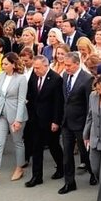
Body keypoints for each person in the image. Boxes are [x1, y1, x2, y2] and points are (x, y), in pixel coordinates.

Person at [0, 52, 28, 182]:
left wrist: (18, 119)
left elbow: (21, 100)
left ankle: (19, 167)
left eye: (6, 64)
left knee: (17, 142)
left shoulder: (21, 78)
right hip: (1, 112)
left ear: (13, 64)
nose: (3, 66)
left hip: (15, 114)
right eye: (2, 63)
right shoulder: (0, 76)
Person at [25, 55, 64, 186]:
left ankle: (61, 167)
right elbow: (30, 94)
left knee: (54, 146)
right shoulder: (34, 75)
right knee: (36, 147)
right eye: (34, 68)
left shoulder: (56, 79)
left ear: (46, 66)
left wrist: (56, 121)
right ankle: (37, 176)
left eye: (38, 68)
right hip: (35, 119)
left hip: (49, 120)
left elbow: (58, 103)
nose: (35, 70)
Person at [59, 51, 94, 194]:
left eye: (68, 65)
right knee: (67, 154)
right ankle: (69, 182)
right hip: (67, 122)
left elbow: (89, 104)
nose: (66, 68)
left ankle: (93, 172)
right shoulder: (66, 75)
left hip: (81, 123)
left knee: (85, 154)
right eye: (64, 65)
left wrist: (88, 126)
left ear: (77, 64)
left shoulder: (87, 79)